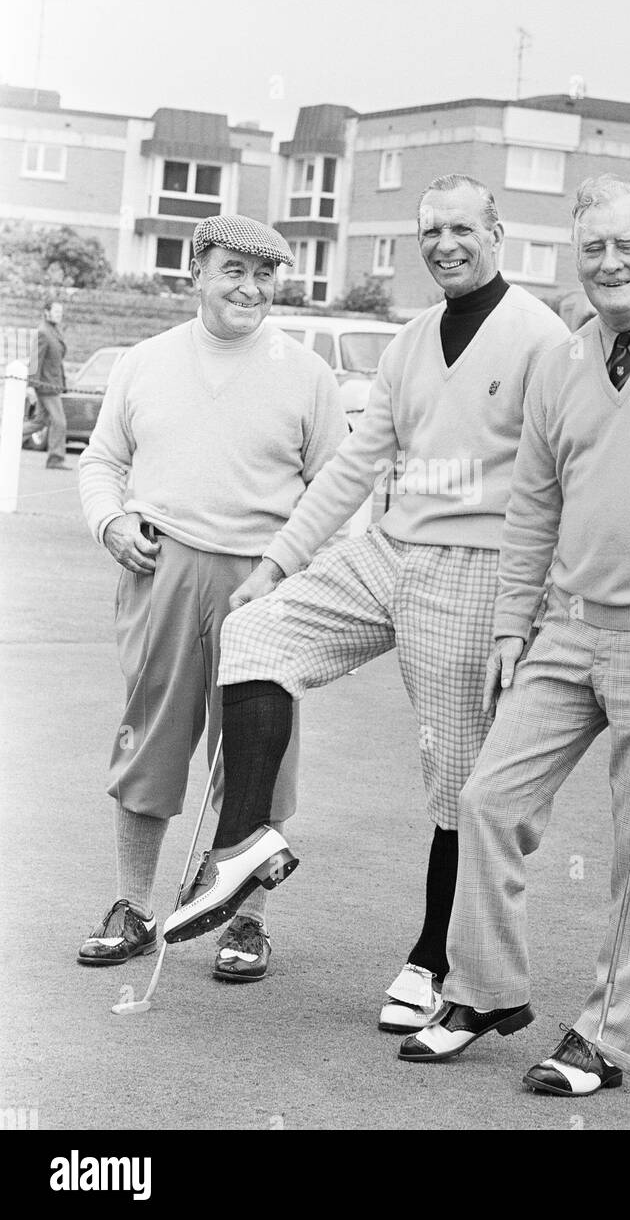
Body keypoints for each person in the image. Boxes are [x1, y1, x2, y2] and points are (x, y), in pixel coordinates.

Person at [398, 174, 630, 1093]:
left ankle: (605, 1038)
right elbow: (532, 502)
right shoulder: (563, 360)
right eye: (591, 250)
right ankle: (485, 990)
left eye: (627, 247)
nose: (609, 264)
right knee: (488, 798)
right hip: (565, 630)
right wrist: (509, 624)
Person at [162, 174, 570, 1035]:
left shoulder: (539, 336)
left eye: (461, 227)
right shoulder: (410, 339)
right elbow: (353, 466)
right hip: (390, 549)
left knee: (456, 783)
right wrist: (276, 563)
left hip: (480, 564)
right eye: (430, 230)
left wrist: (528, 606)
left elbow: (561, 477)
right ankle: (243, 845)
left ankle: (432, 959)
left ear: (497, 233)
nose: (444, 243)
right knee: (257, 631)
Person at [76, 215, 348, 982]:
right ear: (197, 271)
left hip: (265, 581)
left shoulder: (306, 374)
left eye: (265, 275)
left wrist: (300, 575)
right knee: (151, 739)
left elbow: (335, 487)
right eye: (233, 269)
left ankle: (248, 921)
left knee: (260, 752)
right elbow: (102, 461)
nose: (250, 288)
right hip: (160, 567)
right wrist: (112, 521)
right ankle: (131, 908)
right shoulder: (146, 361)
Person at [24, 299, 69, 468]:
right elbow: (35, 361)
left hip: (53, 384)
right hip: (45, 386)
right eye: (56, 312)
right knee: (59, 422)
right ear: (46, 312)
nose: (59, 315)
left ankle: (7, 437)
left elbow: (56, 360)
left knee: (39, 422)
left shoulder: (54, 330)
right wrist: (30, 386)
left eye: (60, 312)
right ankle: (55, 459)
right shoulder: (43, 332)